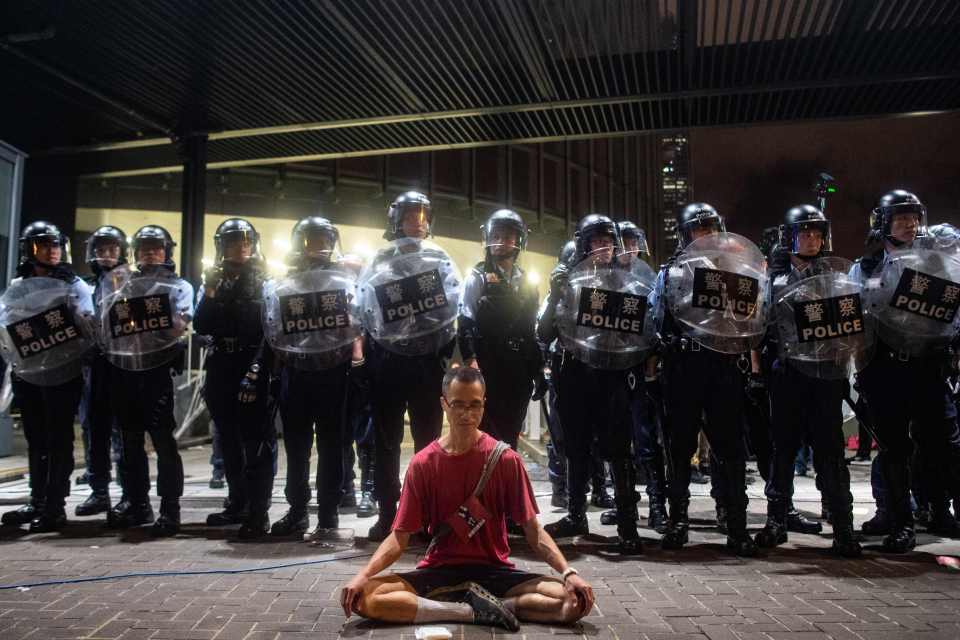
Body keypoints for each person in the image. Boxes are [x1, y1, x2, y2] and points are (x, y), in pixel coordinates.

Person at [340, 366, 594, 631]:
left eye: (475, 405)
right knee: (364, 597)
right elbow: (399, 537)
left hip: (495, 571)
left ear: (484, 404)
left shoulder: (506, 461)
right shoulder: (423, 463)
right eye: (458, 405)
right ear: (444, 404)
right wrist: (363, 575)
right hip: (439, 571)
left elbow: (533, 531)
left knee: (572, 601)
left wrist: (568, 572)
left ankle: (496, 607)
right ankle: (468, 611)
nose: (467, 414)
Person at [853, 190, 960, 552]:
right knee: (894, 449)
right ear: (882, 223)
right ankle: (900, 522)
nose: (910, 224)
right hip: (886, 369)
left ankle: (939, 510)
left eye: (914, 217)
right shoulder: (865, 267)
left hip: (929, 365)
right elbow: (855, 321)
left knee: (942, 443)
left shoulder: (937, 257)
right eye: (900, 218)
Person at [647, 203, 757, 556]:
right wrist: (662, 344)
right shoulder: (670, 274)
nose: (706, 235)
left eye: (711, 228)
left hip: (723, 366)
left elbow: (751, 319)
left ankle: (737, 525)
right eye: (699, 229)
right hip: (682, 369)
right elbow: (654, 318)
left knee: (730, 449)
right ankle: (678, 522)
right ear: (685, 234)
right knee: (679, 450)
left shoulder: (736, 271)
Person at [752, 204, 860, 557]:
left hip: (827, 374)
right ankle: (776, 521)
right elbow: (757, 327)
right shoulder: (773, 281)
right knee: (782, 451)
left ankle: (844, 527)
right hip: (788, 376)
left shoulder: (837, 277)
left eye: (817, 234)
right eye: (805, 233)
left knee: (830, 452)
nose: (812, 240)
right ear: (789, 238)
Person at [537, 214, 643, 554]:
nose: (604, 246)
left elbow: (642, 331)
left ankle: (628, 525)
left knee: (617, 449)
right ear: (584, 245)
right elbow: (542, 332)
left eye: (608, 239)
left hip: (611, 376)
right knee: (576, 449)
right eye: (596, 240)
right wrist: (555, 295)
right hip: (574, 374)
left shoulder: (627, 282)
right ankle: (575, 516)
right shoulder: (567, 281)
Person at [262, 216, 361, 539]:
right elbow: (274, 328)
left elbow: (357, 321)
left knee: (332, 445)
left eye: (324, 240)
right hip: (297, 371)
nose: (319, 247)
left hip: (334, 372)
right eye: (311, 240)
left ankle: (329, 513)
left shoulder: (344, 281)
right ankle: (298, 510)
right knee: (297, 446)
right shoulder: (284, 283)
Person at [366, 192, 456, 541]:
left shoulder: (439, 259)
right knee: (386, 442)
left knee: (427, 443)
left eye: (422, 215)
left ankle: (425, 515)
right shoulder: (380, 261)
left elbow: (450, 307)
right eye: (409, 216)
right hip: (387, 361)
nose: (417, 221)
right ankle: (388, 513)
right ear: (396, 220)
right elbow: (366, 306)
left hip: (426, 362)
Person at [0, 222, 93, 532]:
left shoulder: (74, 284)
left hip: (62, 373)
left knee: (58, 439)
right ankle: (37, 500)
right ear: (30, 249)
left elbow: (90, 327)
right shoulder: (17, 284)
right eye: (44, 245)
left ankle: (54, 506)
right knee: (36, 439)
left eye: (56, 245)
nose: (53, 251)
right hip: (28, 372)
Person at [105, 225, 194, 536]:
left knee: (162, 441)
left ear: (167, 250)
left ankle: (171, 510)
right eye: (144, 247)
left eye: (157, 247)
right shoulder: (120, 284)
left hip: (156, 372)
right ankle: (137, 503)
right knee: (129, 442)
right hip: (125, 369)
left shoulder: (178, 286)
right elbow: (105, 323)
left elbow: (177, 326)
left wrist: (147, 305)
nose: (150, 252)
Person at [194, 218, 276, 538]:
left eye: (245, 242)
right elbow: (201, 323)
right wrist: (212, 290)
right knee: (227, 439)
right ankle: (237, 502)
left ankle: (259, 512)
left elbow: (271, 329)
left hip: (253, 359)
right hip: (222, 364)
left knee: (256, 439)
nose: (241, 248)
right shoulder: (214, 280)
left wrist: (259, 368)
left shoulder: (266, 280)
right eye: (232, 242)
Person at [458, 209, 543, 449]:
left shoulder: (527, 280)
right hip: (488, 361)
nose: (500, 242)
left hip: (518, 366)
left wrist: (537, 368)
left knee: (512, 429)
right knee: (486, 430)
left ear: (518, 241)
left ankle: (507, 481)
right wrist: (471, 360)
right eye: (495, 236)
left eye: (507, 237)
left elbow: (531, 328)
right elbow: (465, 320)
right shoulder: (477, 276)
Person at [75, 225, 128, 519]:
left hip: (121, 365)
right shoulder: (84, 285)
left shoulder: (131, 283)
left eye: (112, 250)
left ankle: (127, 493)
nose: (107, 256)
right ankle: (99, 491)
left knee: (122, 429)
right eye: (101, 251)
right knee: (94, 429)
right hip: (93, 367)